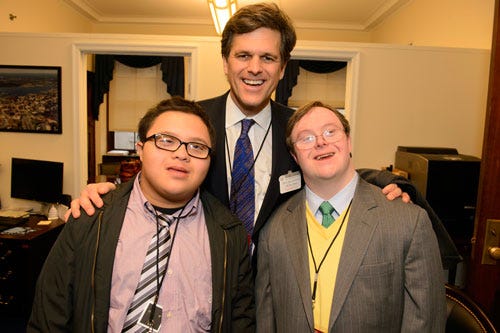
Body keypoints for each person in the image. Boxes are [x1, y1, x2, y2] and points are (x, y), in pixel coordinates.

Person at [68, 3, 459, 267]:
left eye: (268, 57)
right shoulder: (194, 121)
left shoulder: (298, 129)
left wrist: (388, 183)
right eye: (243, 56)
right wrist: (106, 195)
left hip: (279, 279)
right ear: (226, 62)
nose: (254, 68)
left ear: (283, 66)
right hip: (197, 272)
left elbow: (334, 169)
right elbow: (162, 172)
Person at [28, 97, 254, 332]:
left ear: (209, 161)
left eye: (197, 146)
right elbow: (49, 316)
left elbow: (241, 320)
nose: (181, 154)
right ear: (141, 150)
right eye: (166, 141)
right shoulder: (91, 217)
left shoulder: (229, 234)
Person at [255, 101, 446, 332]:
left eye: (330, 131)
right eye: (306, 138)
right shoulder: (273, 231)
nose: (320, 142)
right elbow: (266, 321)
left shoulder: (408, 223)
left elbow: (426, 323)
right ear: (295, 156)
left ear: (348, 141)